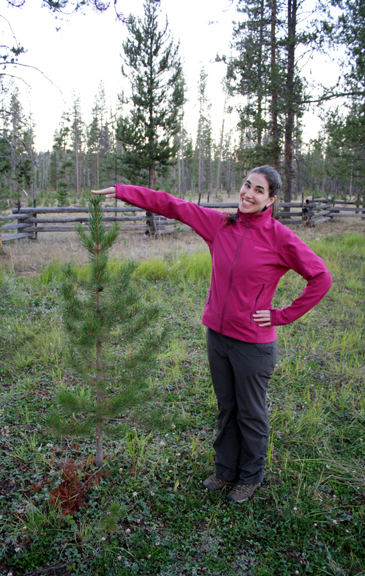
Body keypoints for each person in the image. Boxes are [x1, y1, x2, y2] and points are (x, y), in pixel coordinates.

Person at [92, 165, 332, 503]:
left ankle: (250, 477)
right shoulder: (221, 224)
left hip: (253, 345)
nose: (248, 194)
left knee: (251, 412)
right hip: (218, 338)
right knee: (227, 408)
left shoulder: (279, 237)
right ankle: (225, 471)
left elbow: (321, 277)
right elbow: (173, 205)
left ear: (272, 199)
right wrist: (123, 191)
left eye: (259, 190)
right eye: (247, 185)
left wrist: (282, 315)